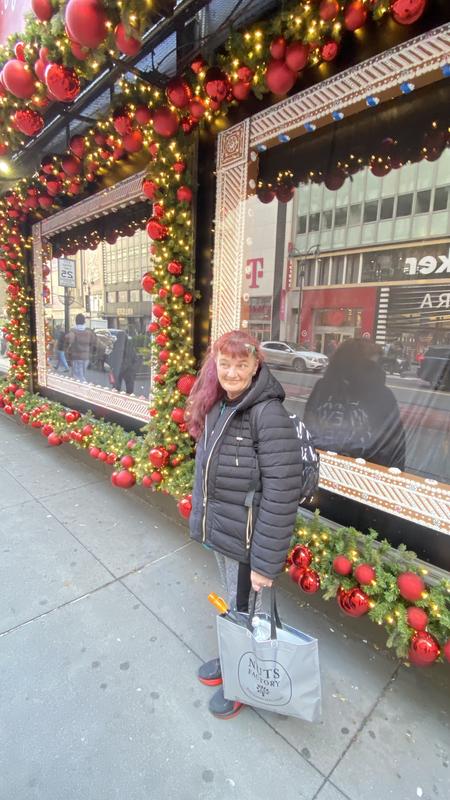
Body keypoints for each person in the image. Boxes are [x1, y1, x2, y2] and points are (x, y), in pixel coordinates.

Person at [186, 330, 304, 720]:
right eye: (225, 364)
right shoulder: (220, 405)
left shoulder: (267, 415)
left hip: (252, 543)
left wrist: (265, 565)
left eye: (241, 364)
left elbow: (282, 493)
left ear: (256, 367)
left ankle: (246, 684)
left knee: (250, 610)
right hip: (226, 534)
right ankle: (233, 659)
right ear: (215, 366)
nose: (232, 372)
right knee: (236, 606)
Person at [304, 338, 405, 469]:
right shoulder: (324, 387)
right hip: (323, 468)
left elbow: (392, 444)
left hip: (361, 475)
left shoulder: (381, 395)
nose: (375, 370)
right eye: (369, 365)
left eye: (376, 365)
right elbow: (308, 428)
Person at [65, 313, 97, 383]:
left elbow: (68, 339)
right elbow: (94, 342)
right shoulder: (89, 332)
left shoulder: (73, 331)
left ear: (76, 321)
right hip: (86, 358)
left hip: (76, 357)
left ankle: (81, 390)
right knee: (82, 375)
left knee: (77, 377)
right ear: (84, 321)